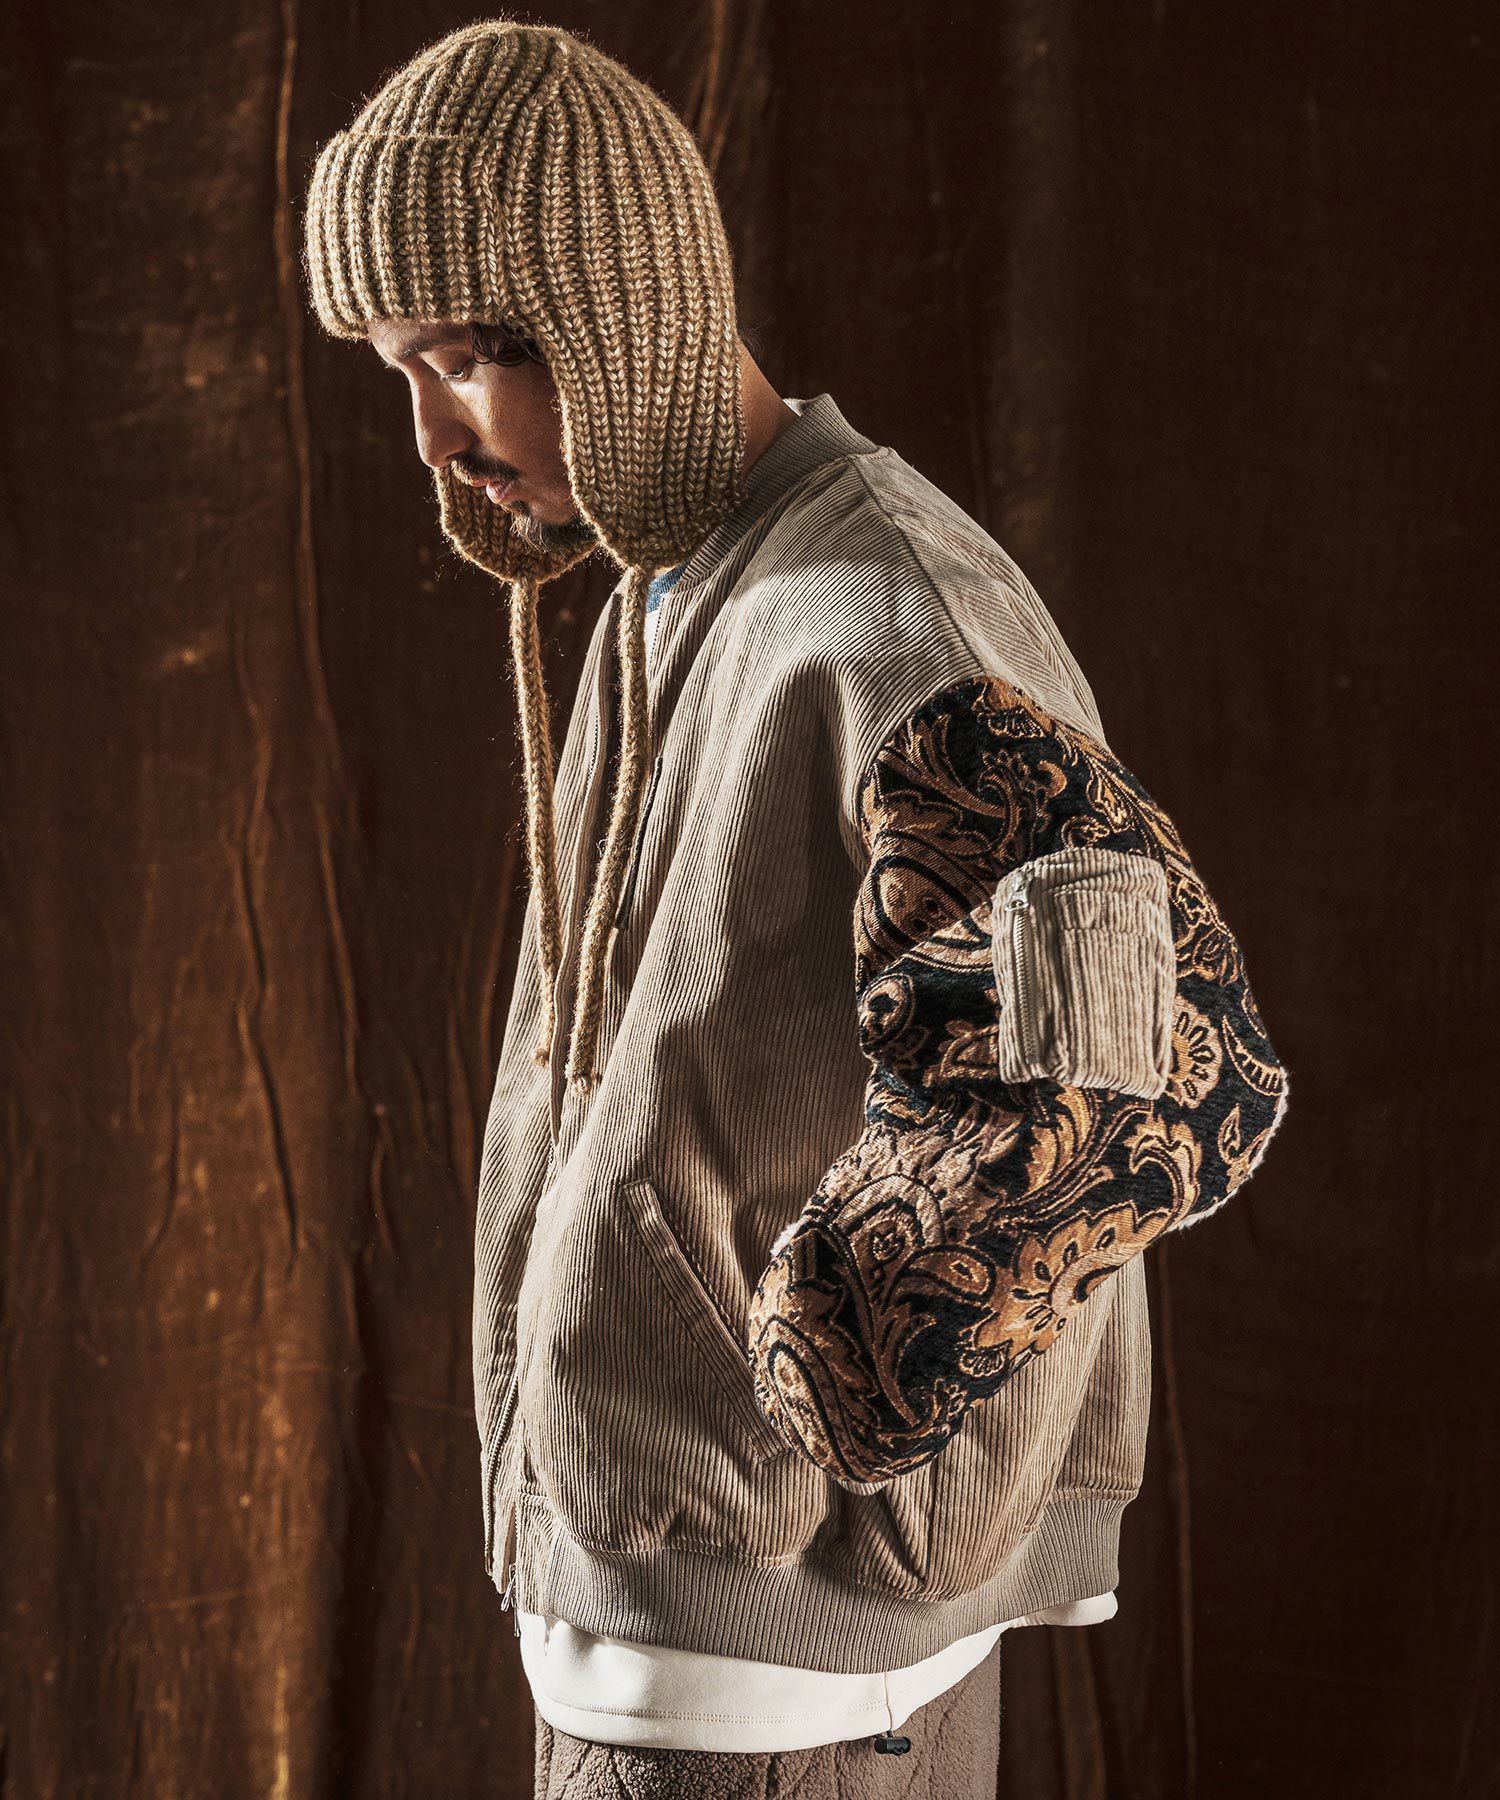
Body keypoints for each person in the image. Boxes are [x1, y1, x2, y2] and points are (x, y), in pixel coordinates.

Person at [302, 19, 1291, 1799]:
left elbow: (1160, 1063)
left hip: (765, 1659)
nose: (435, 436)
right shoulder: (676, 585)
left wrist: (836, 1362)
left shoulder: (878, 618)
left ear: (618, 307)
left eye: (468, 358)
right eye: (401, 372)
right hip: (715, 1613)